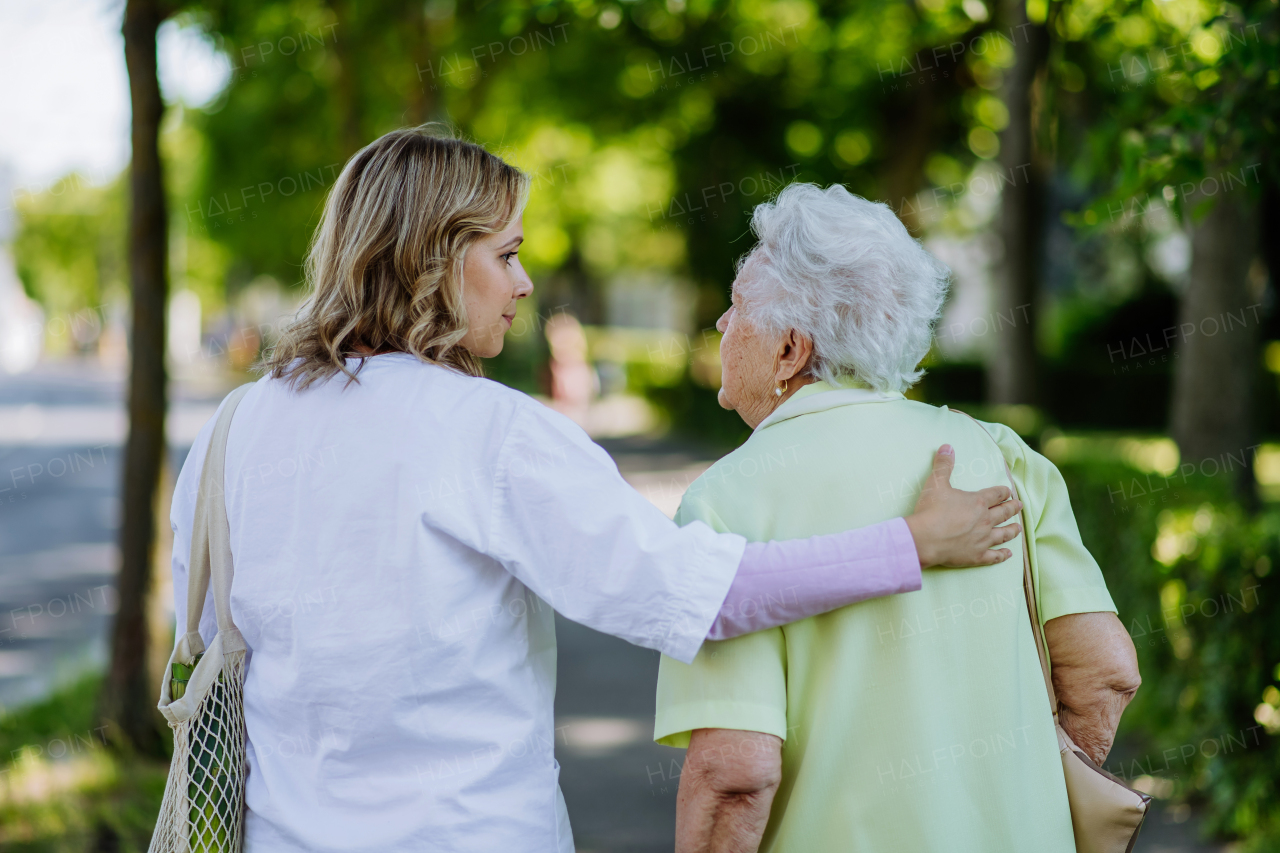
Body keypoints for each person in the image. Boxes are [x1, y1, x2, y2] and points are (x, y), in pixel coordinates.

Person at [169, 128, 1022, 852]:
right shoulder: (490, 432)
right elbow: (697, 594)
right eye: (505, 254)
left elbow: (219, 638)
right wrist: (910, 544)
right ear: (431, 259)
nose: (525, 284)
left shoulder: (232, 431)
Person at [654, 183, 1142, 853]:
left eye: (735, 306)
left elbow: (736, 771)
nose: (720, 326)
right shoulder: (999, 456)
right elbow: (1106, 671)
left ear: (791, 351)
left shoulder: (725, 501)